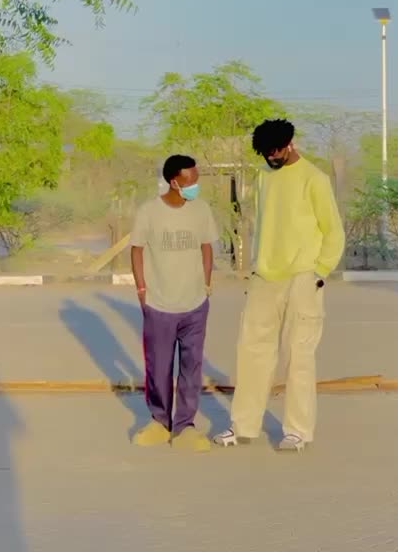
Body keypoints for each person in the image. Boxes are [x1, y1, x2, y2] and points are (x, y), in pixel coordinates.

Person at [214, 119, 345, 452]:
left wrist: (319, 272)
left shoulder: (314, 179)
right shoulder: (264, 178)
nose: (271, 158)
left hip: (303, 276)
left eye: (275, 152)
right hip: (264, 277)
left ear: (290, 145)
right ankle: (243, 426)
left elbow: (333, 231)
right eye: (266, 154)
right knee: (251, 352)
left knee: (299, 354)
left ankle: (297, 431)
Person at [130, 154, 218, 452]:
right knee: (159, 366)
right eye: (189, 181)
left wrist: (206, 284)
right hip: (160, 303)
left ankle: (185, 426)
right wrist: (142, 289)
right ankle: (159, 421)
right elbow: (137, 249)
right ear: (173, 182)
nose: (195, 185)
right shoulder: (149, 212)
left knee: (191, 367)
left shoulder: (201, 210)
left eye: (196, 179)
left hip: (195, 303)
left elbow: (206, 246)